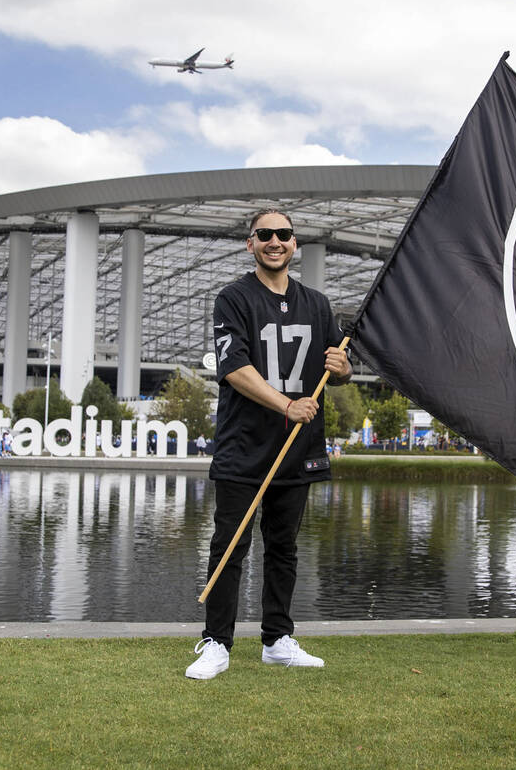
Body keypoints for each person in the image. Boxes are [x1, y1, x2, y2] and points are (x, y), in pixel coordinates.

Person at [185, 208, 352, 681]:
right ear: (250, 243)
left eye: (283, 234)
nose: (274, 241)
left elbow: (337, 370)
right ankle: (217, 643)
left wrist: (342, 370)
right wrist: (285, 405)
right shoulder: (233, 299)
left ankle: (277, 639)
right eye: (265, 235)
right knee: (229, 546)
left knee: (283, 547)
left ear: (294, 243)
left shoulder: (318, 304)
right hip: (244, 446)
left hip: (298, 448)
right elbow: (234, 367)